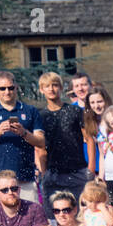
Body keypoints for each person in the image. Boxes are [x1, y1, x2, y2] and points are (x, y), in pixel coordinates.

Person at [36, 72, 91, 215]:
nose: (51, 89)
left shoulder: (75, 111)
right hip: (53, 174)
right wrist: (44, 173)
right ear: (41, 90)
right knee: (54, 218)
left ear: (61, 88)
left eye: (55, 85)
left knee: (82, 216)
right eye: (47, 86)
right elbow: (40, 148)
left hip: (77, 172)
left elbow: (90, 139)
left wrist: (90, 168)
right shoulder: (41, 116)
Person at [0, 72, 45, 203]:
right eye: (2, 88)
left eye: (10, 87)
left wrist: (24, 133)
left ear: (16, 87)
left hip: (24, 179)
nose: (7, 92)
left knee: (30, 220)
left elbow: (41, 142)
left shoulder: (30, 111)